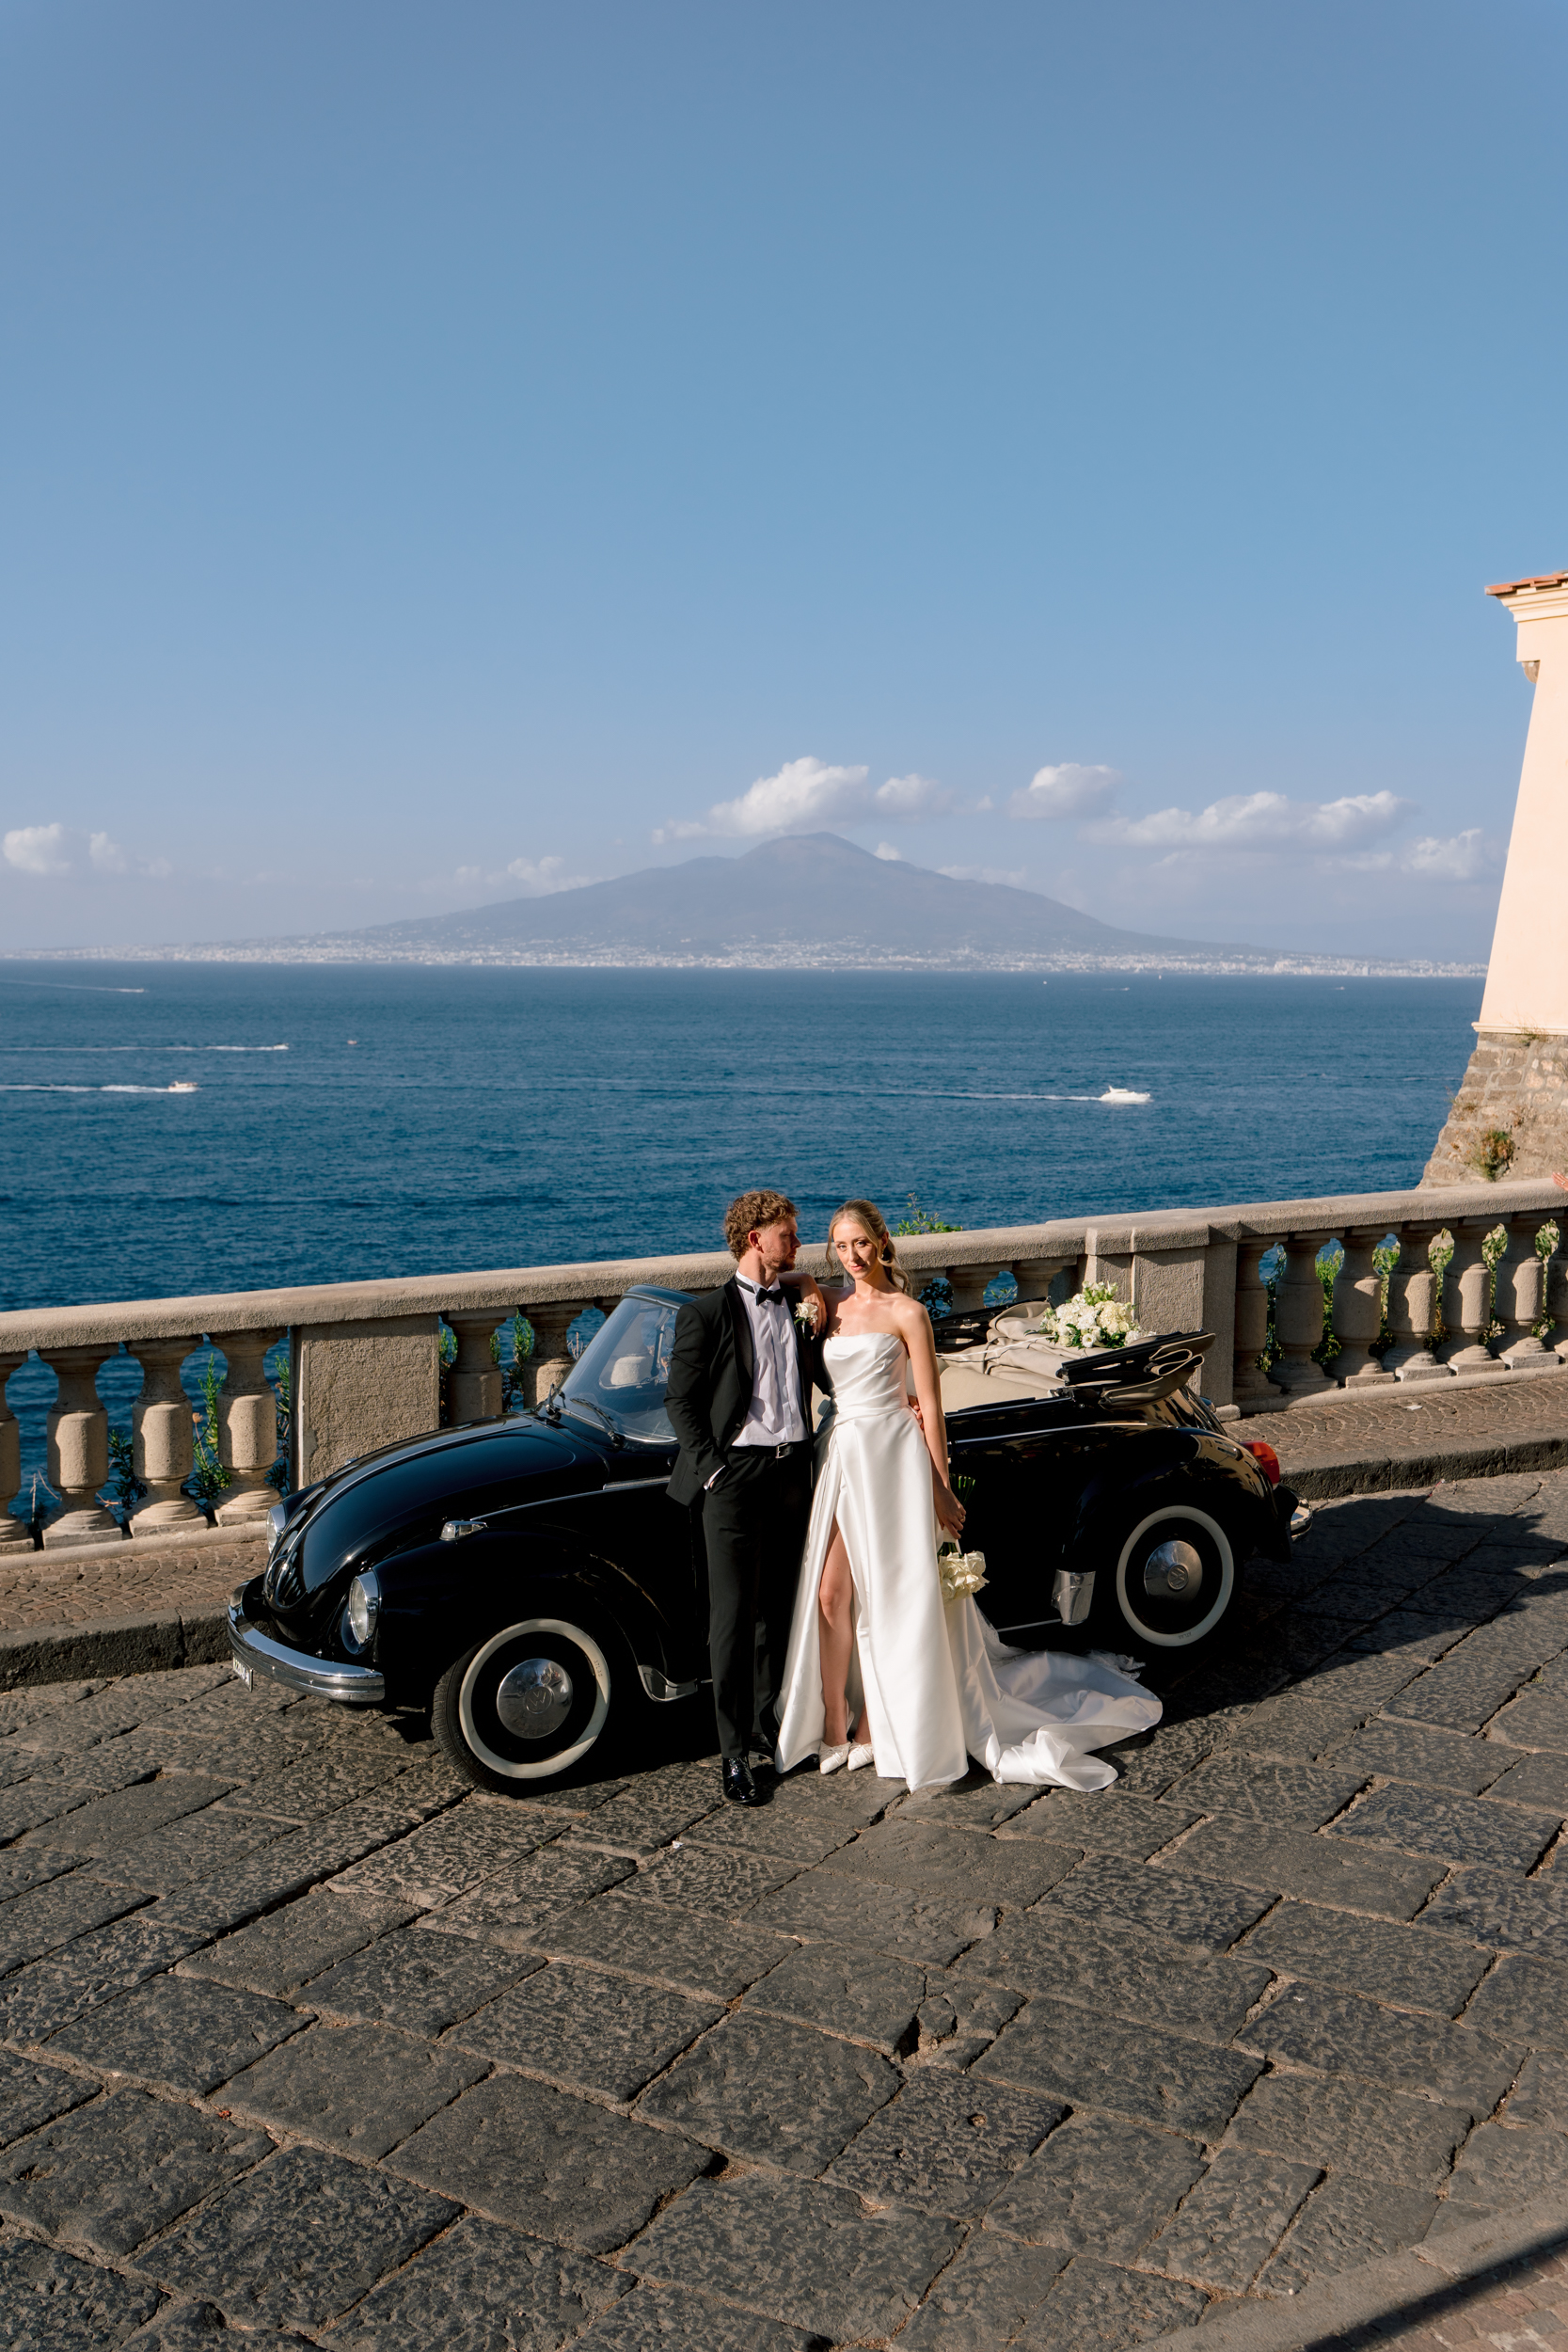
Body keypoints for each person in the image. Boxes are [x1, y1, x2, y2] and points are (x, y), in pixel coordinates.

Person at [773, 1198, 1160, 1790]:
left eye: (862, 1243)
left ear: (883, 1244)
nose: (853, 1256)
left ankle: (873, 1727)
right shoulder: (828, 1305)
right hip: (842, 1456)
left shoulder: (907, 1312)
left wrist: (942, 1491)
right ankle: (830, 1721)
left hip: (895, 1463)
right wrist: (804, 1279)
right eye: (842, 1246)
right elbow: (792, 1279)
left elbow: (929, 1405)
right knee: (830, 1595)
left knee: (887, 1600)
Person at [665, 1189, 825, 1806]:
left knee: (776, 1613)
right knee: (730, 1622)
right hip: (733, 1480)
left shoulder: (795, 1302)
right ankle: (732, 1754)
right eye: (788, 1233)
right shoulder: (704, 1313)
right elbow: (679, 1402)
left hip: (791, 1475)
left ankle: (768, 1725)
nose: (798, 1242)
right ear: (755, 1238)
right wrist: (713, 1473)